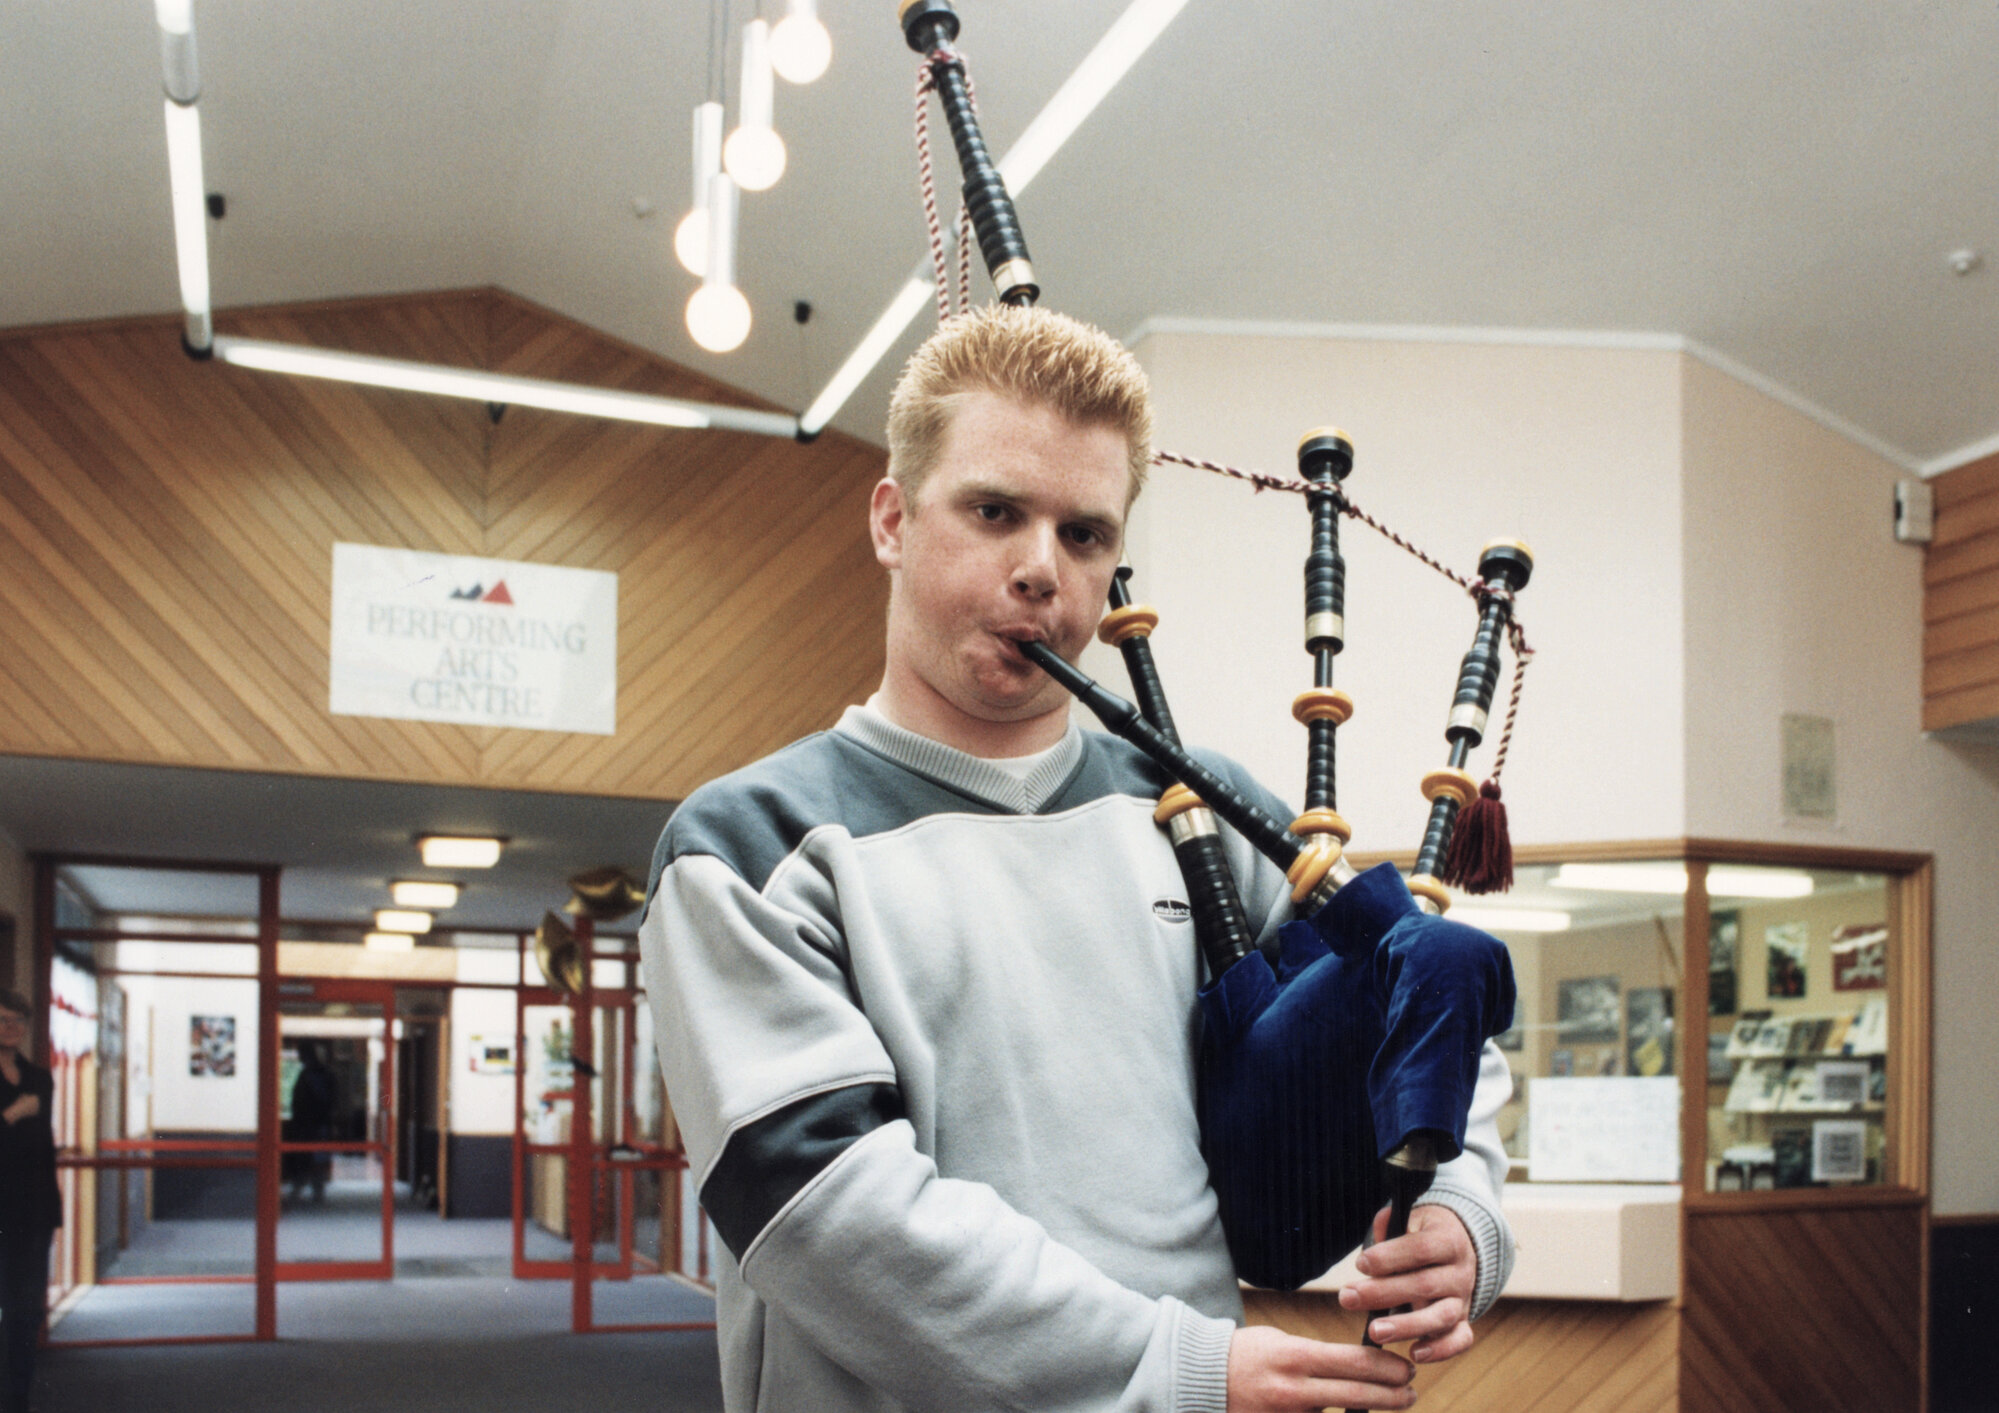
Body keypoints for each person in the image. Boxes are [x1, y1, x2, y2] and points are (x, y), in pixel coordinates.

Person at [639, 305, 1514, 1413]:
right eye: (994, 512)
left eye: (1085, 534)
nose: (1041, 571)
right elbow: (827, 1219)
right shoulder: (749, 847)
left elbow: (1416, 1001)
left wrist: (1463, 1213)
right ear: (892, 520)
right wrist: (1168, 1366)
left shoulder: (1198, 805)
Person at [0, 989, 61, 1413]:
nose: (11, 1028)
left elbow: (42, 1146)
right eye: (3, 1019)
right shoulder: (27, 1095)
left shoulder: (40, 1078)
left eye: (18, 1021)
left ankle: (17, 1395)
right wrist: (12, 1116)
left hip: (34, 1209)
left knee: (26, 1308)